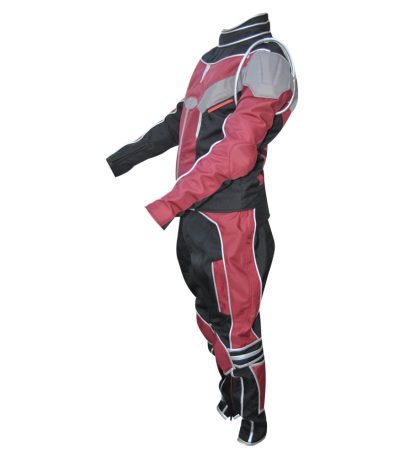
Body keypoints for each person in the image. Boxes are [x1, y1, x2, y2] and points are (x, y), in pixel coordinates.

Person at [106, 12, 298, 446]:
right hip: (194, 216)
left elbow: (237, 153)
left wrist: (166, 204)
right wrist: (120, 161)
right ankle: (232, 391)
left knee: (239, 323)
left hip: (233, 222)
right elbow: (181, 122)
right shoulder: (213, 57)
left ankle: (255, 415)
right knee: (208, 315)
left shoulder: (264, 57)